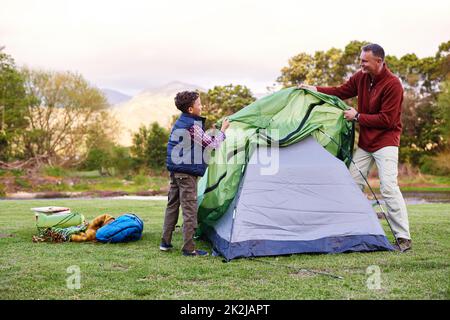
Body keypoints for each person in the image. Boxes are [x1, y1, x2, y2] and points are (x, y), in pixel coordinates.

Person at [299, 43, 412, 252]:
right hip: (366, 143)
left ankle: (403, 238)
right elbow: (341, 91)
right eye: (360, 60)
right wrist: (315, 90)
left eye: (365, 61)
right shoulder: (361, 77)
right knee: (350, 183)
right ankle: (355, 227)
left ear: (379, 61)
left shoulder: (393, 84)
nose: (361, 64)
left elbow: (387, 120)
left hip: (386, 142)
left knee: (388, 187)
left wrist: (358, 116)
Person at [160, 91, 230, 256]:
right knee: (190, 209)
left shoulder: (181, 122)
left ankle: (165, 242)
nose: (201, 106)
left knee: (172, 206)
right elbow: (211, 145)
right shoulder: (192, 125)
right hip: (186, 174)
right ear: (191, 109)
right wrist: (223, 131)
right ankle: (189, 248)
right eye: (199, 104)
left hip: (175, 171)